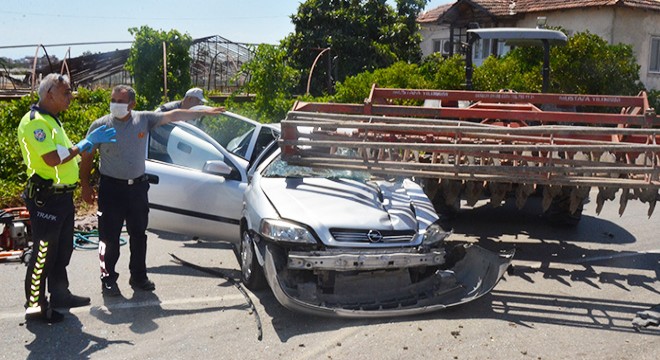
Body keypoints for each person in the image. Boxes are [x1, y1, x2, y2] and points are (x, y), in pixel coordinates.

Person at [79, 85, 225, 297]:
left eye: (121, 101)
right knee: (108, 239)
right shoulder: (100, 126)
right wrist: (85, 184)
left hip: (137, 188)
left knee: (139, 235)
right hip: (111, 190)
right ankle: (108, 279)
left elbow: (174, 114)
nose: (116, 105)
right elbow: (87, 157)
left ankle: (138, 277)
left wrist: (203, 111)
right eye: (113, 100)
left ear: (132, 104)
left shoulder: (144, 119)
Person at [17, 73, 117, 323]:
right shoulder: (35, 122)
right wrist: (84, 144)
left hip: (62, 197)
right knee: (43, 253)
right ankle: (35, 307)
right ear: (49, 93)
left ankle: (60, 295)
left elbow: (62, 154)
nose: (71, 96)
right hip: (46, 198)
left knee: (62, 251)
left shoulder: (53, 120)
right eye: (66, 92)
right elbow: (52, 158)